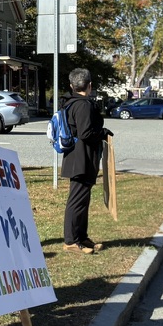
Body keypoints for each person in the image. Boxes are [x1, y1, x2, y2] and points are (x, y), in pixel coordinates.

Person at [60, 68, 112, 254]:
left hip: (78, 157)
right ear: (90, 85)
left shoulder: (71, 103)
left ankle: (81, 237)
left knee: (82, 200)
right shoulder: (82, 105)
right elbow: (85, 133)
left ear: (72, 85)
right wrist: (103, 133)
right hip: (81, 159)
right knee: (76, 200)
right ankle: (71, 241)